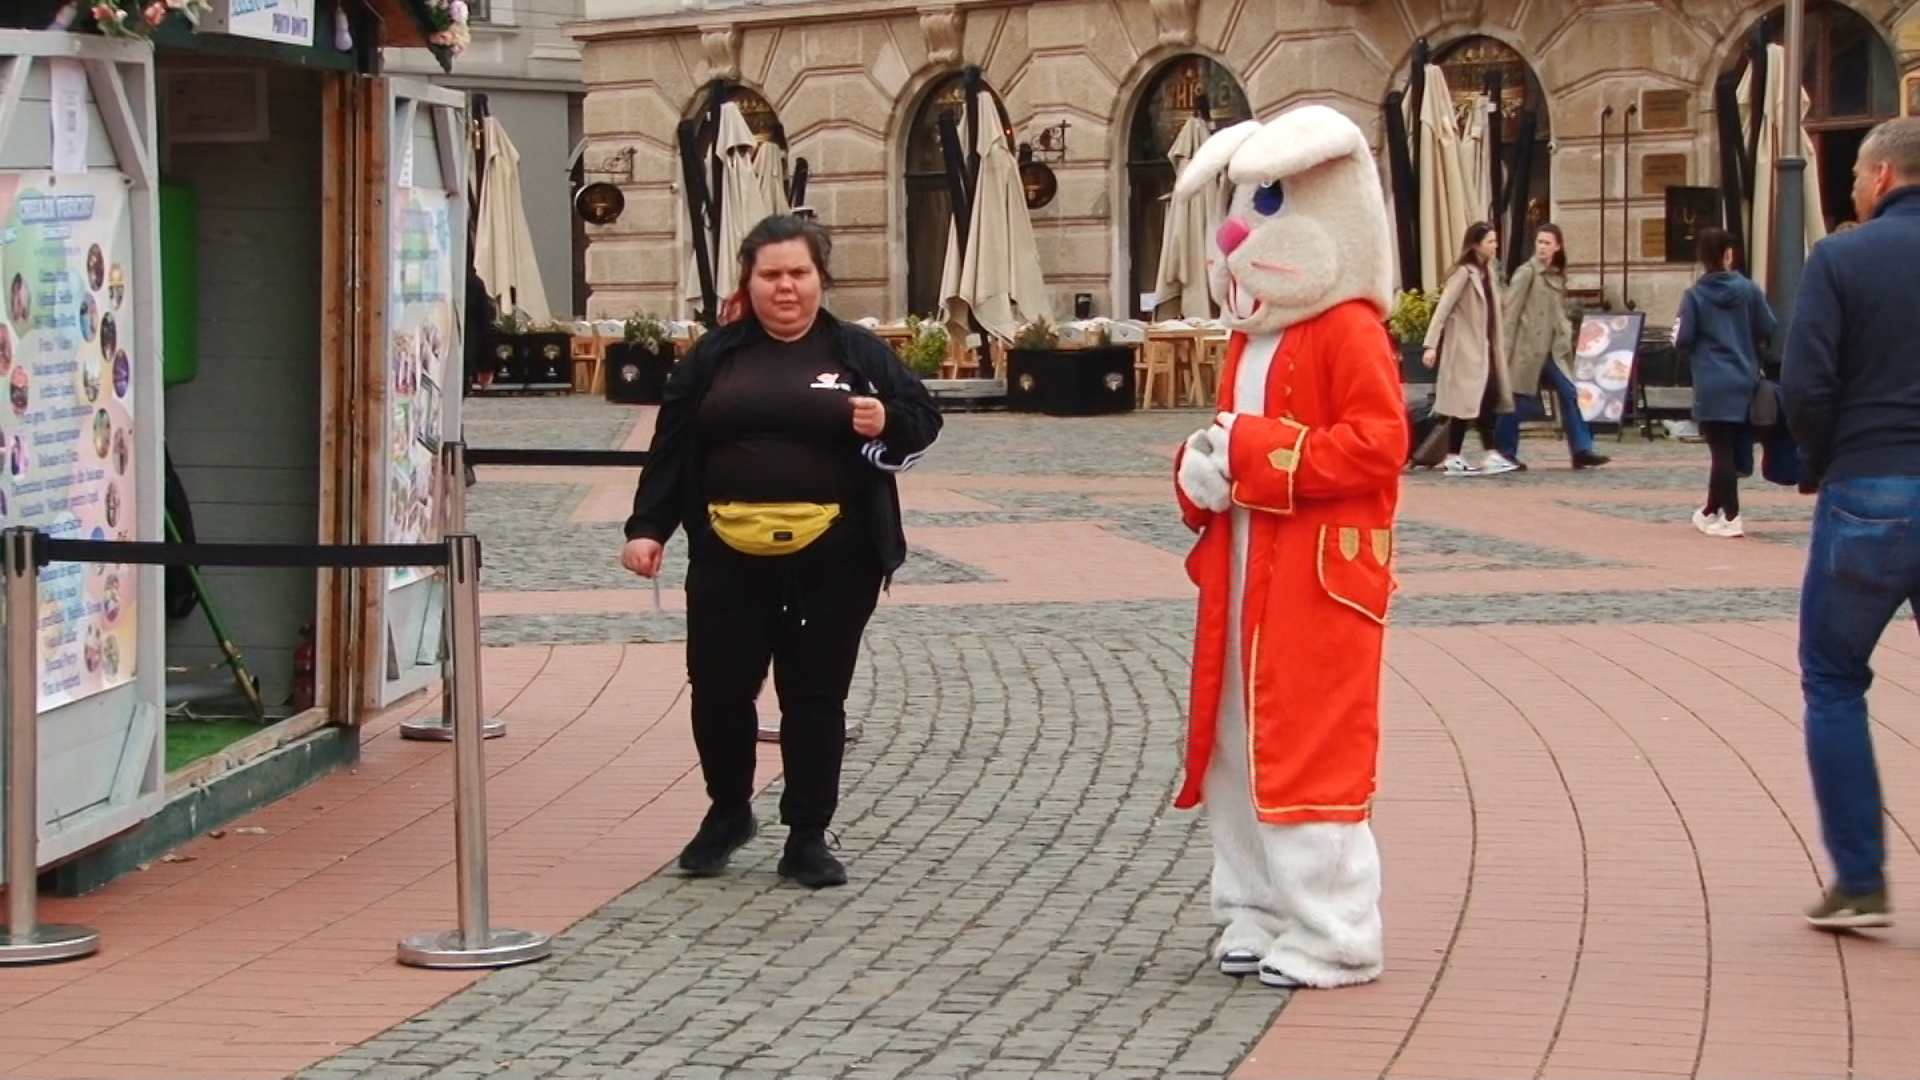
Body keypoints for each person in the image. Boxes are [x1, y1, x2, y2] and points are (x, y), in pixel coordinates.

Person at [620, 214, 942, 889]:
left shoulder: (858, 352)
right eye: (770, 275)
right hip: (727, 555)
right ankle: (728, 812)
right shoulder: (714, 356)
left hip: (837, 558)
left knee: (814, 696)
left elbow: (923, 420)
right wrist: (647, 528)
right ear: (750, 281)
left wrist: (886, 418)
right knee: (719, 690)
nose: (785, 287)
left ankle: (807, 835)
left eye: (799, 273)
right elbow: (671, 448)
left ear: (821, 278)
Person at [1172, 105, 1407, 990]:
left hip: (1315, 575)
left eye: (1265, 202)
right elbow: (1231, 435)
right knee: (1235, 739)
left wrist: (1250, 456)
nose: (1237, 231)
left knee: (1308, 741)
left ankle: (1337, 930)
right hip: (1245, 568)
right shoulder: (1251, 338)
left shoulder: (1348, 328)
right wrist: (1198, 469)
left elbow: (1379, 445)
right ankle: (1255, 906)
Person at [1782, 116, 1920, 930]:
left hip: (1870, 482)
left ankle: (1860, 880)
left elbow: (1806, 382)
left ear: (1880, 177)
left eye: (1857, 179)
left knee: (1834, 680)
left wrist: (1822, 460)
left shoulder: (1840, 257)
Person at [1674, 227, 1776, 538]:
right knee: (1730, 448)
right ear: (1728, 254)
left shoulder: (1695, 296)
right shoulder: (1749, 290)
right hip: (1744, 378)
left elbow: (1683, 337)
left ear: (1702, 258)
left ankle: (1731, 516)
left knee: (1721, 451)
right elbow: (1769, 326)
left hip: (1711, 380)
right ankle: (1710, 510)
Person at [1496, 224, 1610, 471]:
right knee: (1516, 400)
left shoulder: (1557, 276)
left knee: (1569, 393)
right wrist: (1504, 353)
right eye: (1539, 242)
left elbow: (1556, 314)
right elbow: (1510, 314)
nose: (1542, 247)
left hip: (1552, 351)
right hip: (1526, 349)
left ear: (1557, 246)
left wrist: (1565, 333)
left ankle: (1581, 449)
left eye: (1547, 243)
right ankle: (1505, 452)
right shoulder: (1526, 273)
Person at [1421, 222, 1516, 476]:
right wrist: (1431, 345)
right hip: (1465, 349)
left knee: (1484, 399)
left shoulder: (1489, 273)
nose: (1495, 246)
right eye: (1490, 242)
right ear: (1476, 244)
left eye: (1495, 241)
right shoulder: (1464, 273)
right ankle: (1469, 455)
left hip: (1487, 348)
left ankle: (1476, 454)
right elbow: (1443, 308)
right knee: (1469, 403)